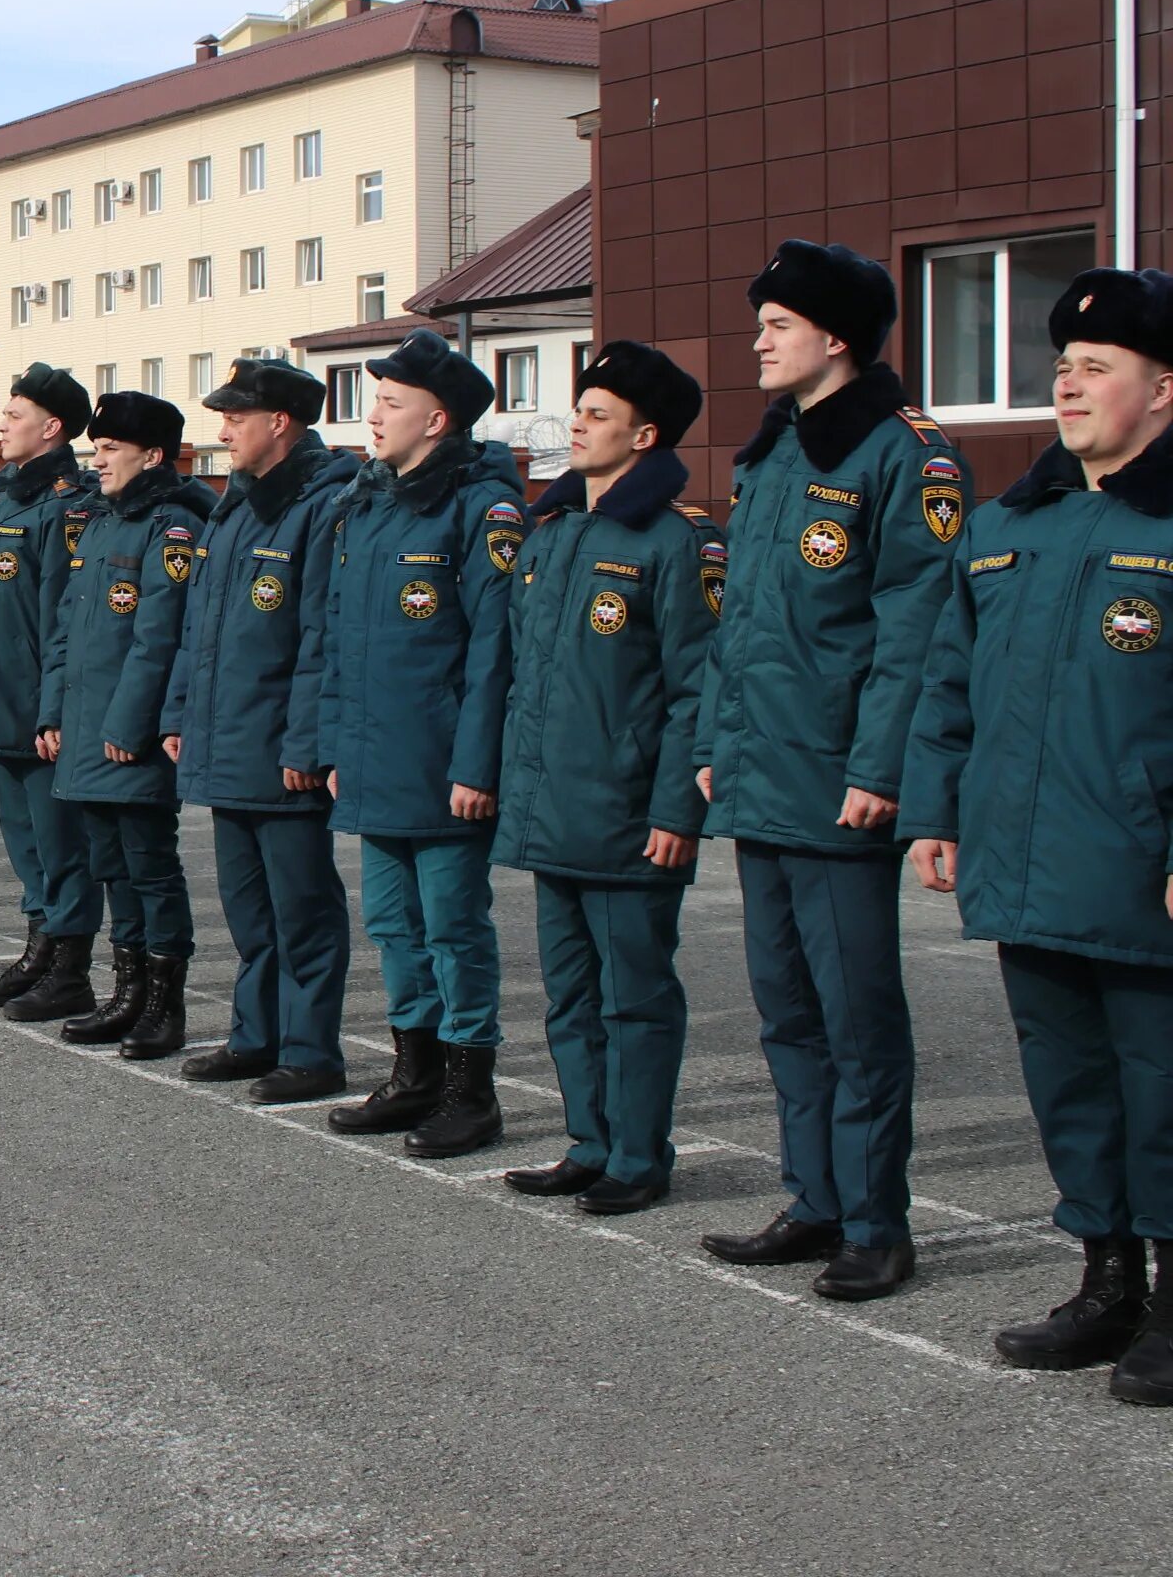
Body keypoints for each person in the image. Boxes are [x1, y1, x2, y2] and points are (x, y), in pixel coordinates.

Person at [907, 267, 1173, 1397]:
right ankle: (1107, 1283)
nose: (1066, 384)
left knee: (1161, 1089)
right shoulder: (1014, 518)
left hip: (1138, 866)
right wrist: (935, 807)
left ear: (1163, 389)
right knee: (1067, 1084)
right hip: (1027, 859)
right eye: (1060, 367)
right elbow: (951, 678)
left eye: (1096, 368)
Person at [695, 239, 963, 1302]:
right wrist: (714, 744)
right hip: (763, 773)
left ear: (837, 336)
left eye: (777, 324)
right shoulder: (770, 456)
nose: (756, 340)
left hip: (841, 780)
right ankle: (812, 1199)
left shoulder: (905, 454)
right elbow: (739, 630)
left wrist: (882, 766)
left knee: (858, 1016)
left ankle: (876, 1222)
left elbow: (919, 628)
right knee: (787, 1011)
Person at [492, 343, 721, 1214]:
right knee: (571, 995)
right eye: (578, 411)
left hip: (630, 815)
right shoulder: (554, 535)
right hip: (557, 810)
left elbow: (695, 687)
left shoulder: (677, 541)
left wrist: (675, 809)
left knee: (635, 996)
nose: (577, 425)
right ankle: (588, 1142)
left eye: (597, 414)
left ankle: (638, 1155)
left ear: (646, 433)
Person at [320, 331, 522, 1154]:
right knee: (395, 928)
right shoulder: (366, 506)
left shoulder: (480, 509)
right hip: (376, 760)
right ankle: (415, 1074)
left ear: (437, 419)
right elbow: (338, 639)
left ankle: (471, 1092)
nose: (374, 417)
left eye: (392, 404)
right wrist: (335, 745)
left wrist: (477, 764)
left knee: (453, 929)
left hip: (443, 768)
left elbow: (494, 651)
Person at [160, 358, 359, 1097]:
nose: (223, 432)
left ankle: (311, 1053)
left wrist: (307, 743)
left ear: (280, 423)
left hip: (281, 748)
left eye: (236, 419)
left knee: (302, 909)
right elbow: (198, 628)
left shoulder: (319, 503)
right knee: (248, 909)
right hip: (228, 737)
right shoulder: (234, 506)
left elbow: (320, 636)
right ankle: (257, 1036)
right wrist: (181, 712)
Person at [40, 390, 211, 1056]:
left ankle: (163, 1006)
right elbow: (67, 630)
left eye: (112, 449)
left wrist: (130, 723)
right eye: (97, 448)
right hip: (84, 730)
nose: (98, 460)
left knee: (150, 869)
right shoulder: (103, 521)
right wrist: (53, 711)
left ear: (155, 455)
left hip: (125, 738)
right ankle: (128, 991)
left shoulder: (170, 526)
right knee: (111, 867)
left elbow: (158, 636)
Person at [0, 363, 102, 1021]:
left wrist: (54, 708)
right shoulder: (3, 499)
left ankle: (68, 967)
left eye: (13, 416)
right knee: (24, 840)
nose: (0, 425)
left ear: (51, 428)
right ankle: (39, 947)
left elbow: (59, 619)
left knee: (60, 845)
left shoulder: (64, 506)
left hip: (37, 709)